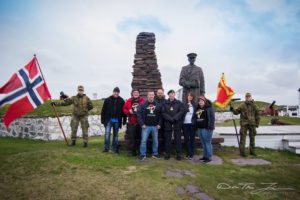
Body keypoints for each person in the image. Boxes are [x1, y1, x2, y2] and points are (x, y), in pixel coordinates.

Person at [230, 92, 260, 157]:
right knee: (242, 138)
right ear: (245, 98)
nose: (248, 98)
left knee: (252, 138)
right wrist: (232, 109)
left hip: (252, 124)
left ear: (251, 97)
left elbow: (257, 115)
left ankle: (252, 151)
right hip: (244, 124)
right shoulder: (242, 105)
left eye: (249, 97)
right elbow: (236, 112)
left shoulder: (255, 106)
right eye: (247, 97)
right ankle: (242, 152)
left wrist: (257, 124)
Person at [137, 90, 161, 161]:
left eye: (152, 95)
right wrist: (142, 124)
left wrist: (159, 124)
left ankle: (155, 154)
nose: (151, 96)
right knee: (144, 141)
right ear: (147, 96)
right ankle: (142, 154)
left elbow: (160, 116)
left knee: (155, 141)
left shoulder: (158, 105)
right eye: (150, 95)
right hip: (145, 126)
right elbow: (139, 115)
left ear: (154, 96)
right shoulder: (143, 104)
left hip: (155, 126)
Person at [101, 87, 127, 153]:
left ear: (119, 93)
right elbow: (103, 110)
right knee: (107, 134)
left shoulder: (121, 101)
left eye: (117, 92)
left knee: (115, 135)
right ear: (113, 92)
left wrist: (124, 120)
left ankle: (114, 148)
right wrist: (103, 120)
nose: (116, 93)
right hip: (108, 119)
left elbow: (124, 112)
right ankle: (106, 148)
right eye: (115, 92)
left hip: (117, 120)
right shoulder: (107, 100)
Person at [161, 89, 185, 160]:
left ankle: (178, 154)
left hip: (177, 123)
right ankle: (167, 154)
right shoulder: (165, 103)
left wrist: (174, 118)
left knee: (178, 139)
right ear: (168, 95)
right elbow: (163, 112)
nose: (171, 95)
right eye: (170, 94)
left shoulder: (179, 102)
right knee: (167, 139)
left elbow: (181, 111)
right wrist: (170, 119)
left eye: (172, 93)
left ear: (174, 94)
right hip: (167, 123)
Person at [123, 89, 145, 156]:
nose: (135, 94)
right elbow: (124, 109)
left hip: (140, 123)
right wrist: (128, 112)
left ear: (139, 94)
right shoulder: (129, 101)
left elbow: (145, 109)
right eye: (134, 92)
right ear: (132, 94)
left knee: (140, 138)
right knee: (132, 138)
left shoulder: (142, 101)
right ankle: (132, 151)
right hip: (132, 122)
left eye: (137, 92)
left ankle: (139, 151)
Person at [195, 96, 215, 163]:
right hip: (200, 128)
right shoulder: (198, 108)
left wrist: (210, 127)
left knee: (207, 142)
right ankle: (205, 156)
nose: (200, 102)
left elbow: (212, 119)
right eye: (199, 101)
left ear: (205, 101)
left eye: (202, 101)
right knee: (203, 143)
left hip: (207, 128)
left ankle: (209, 157)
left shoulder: (209, 108)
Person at [182, 92, 197, 160]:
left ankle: (191, 154)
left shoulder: (195, 105)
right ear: (187, 97)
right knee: (186, 139)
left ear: (192, 97)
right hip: (185, 124)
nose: (190, 97)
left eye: (191, 96)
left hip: (192, 124)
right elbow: (182, 113)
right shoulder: (184, 104)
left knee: (192, 139)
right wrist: (186, 109)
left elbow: (196, 114)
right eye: (188, 96)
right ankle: (187, 153)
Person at [155, 88, 167, 152]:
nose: (160, 94)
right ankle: (157, 150)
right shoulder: (154, 101)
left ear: (163, 93)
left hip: (164, 122)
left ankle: (164, 150)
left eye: (161, 93)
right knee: (156, 137)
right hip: (156, 122)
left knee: (165, 137)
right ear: (156, 94)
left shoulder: (166, 101)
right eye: (159, 93)